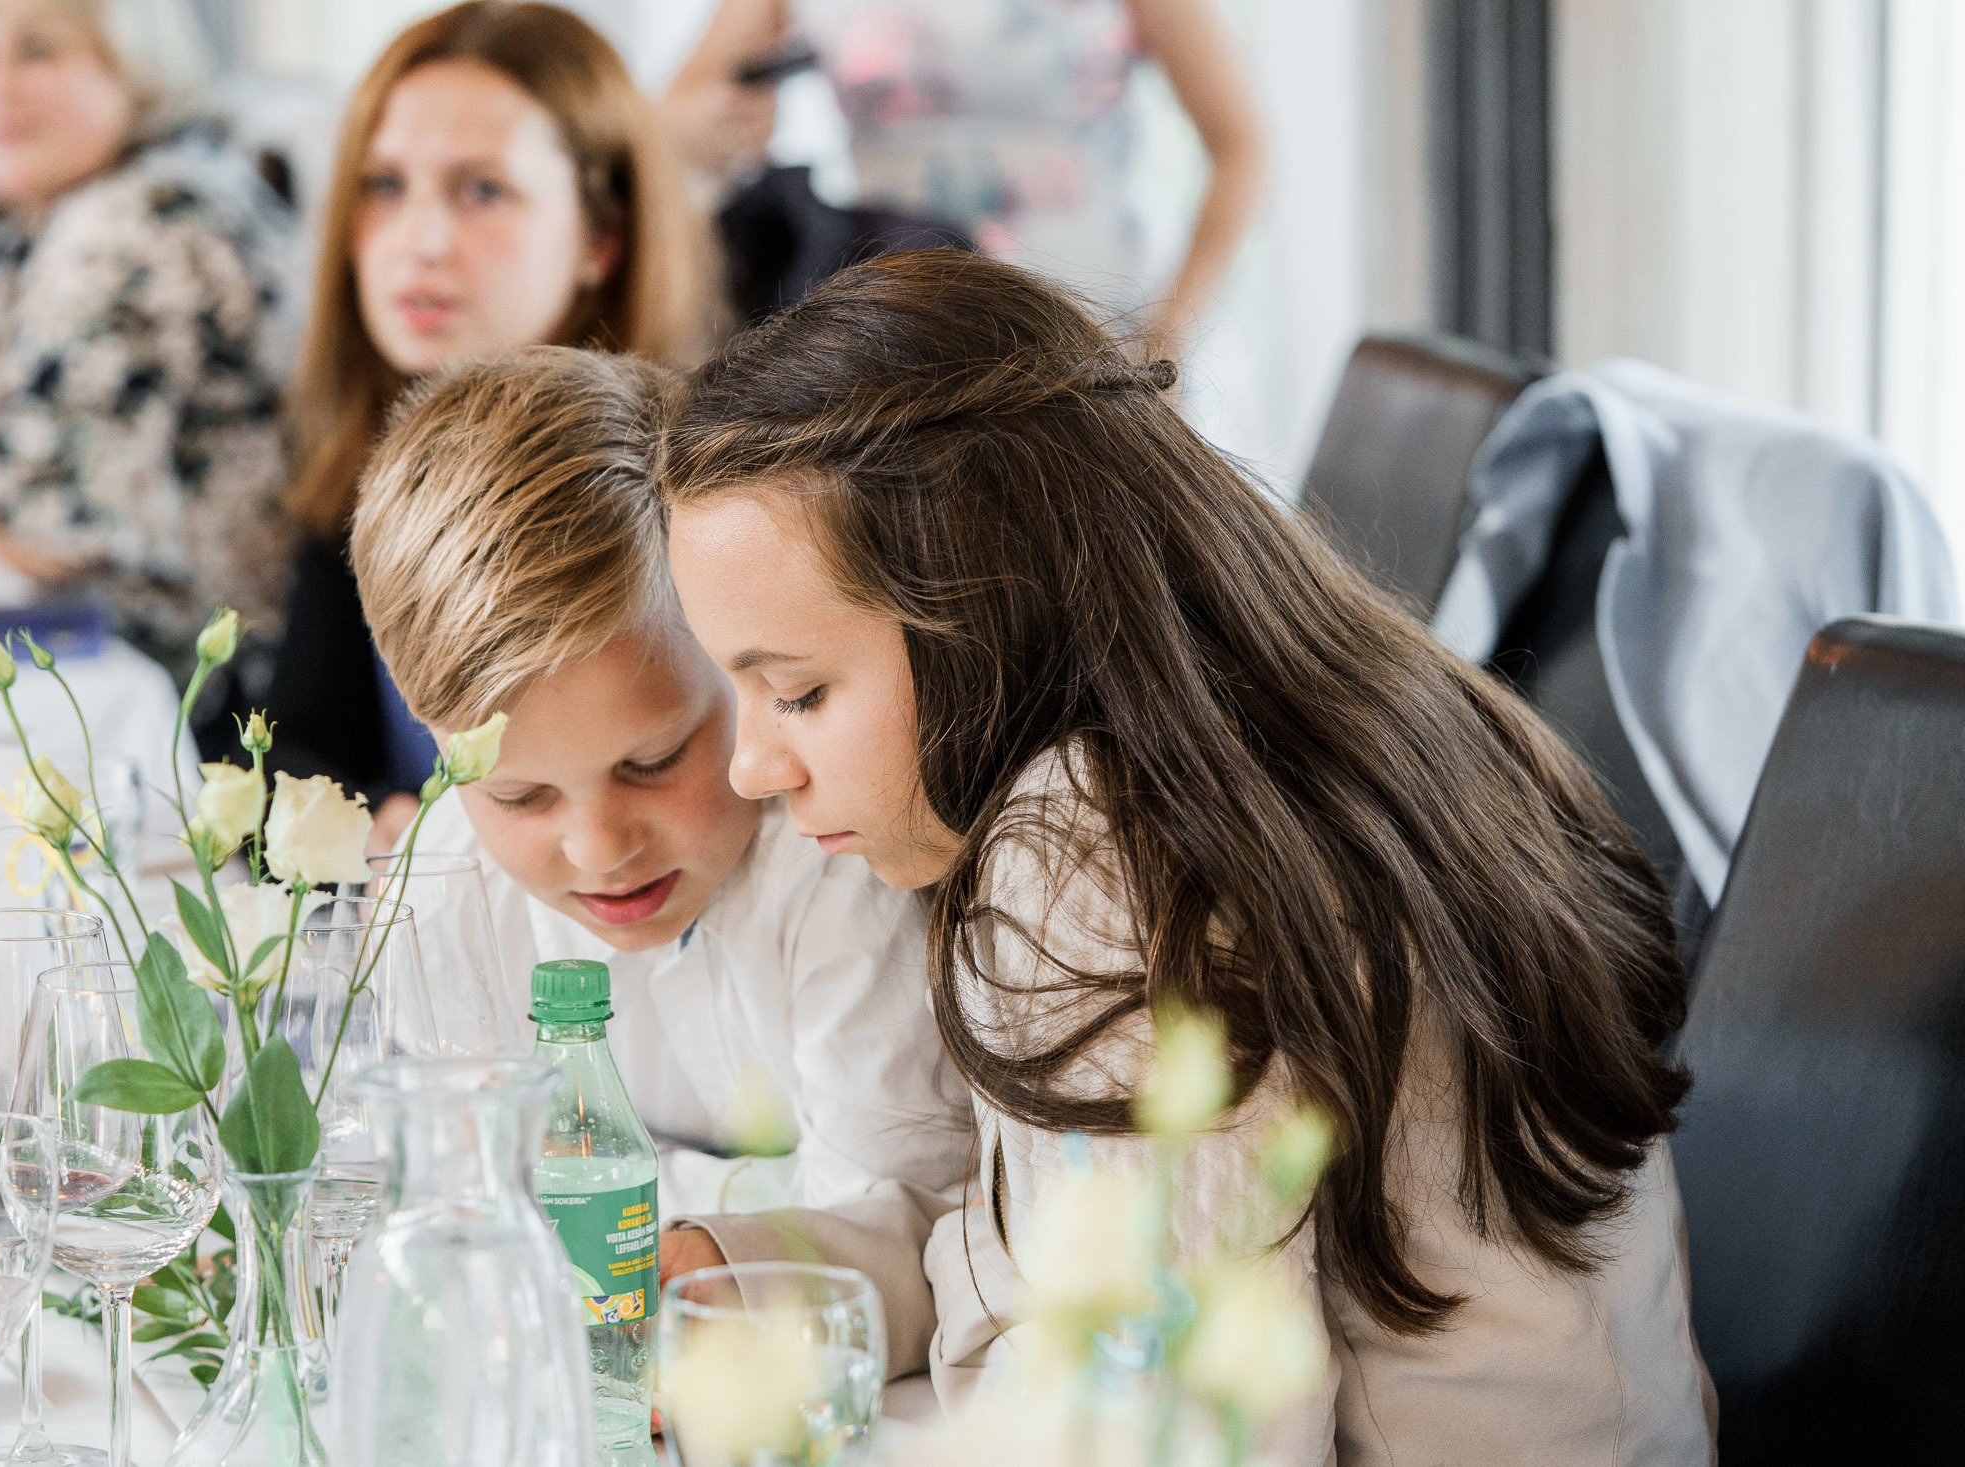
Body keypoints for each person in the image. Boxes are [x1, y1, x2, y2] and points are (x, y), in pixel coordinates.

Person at [656, 251, 1716, 1459]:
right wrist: (773, 1281)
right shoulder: (1353, 708)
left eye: (795, 691)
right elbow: (1079, 1250)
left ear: (988, 609)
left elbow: (1198, 1432)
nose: (752, 766)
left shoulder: (1098, 852)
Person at [351, 346, 970, 1217]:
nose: (600, 847)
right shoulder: (444, 898)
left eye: (652, 762)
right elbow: (461, 1201)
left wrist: (587, 1197)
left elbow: (897, 1222)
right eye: (519, 796)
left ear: (740, 661)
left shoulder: (842, 862)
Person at [264, 0, 710, 845]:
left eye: (482, 190)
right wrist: (375, 824)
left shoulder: (692, 488)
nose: (419, 240)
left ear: (600, 239)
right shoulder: (367, 448)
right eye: (383, 186)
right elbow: (294, 741)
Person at [0, 0, 295, 683]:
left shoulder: (138, 229)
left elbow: (40, 528)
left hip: (179, 699)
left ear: (129, 64)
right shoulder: (29, 212)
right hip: (47, 646)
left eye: (38, 50)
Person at [668, 0, 1265, 370]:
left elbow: (1243, 148)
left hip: (1091, 324)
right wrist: (714, 123)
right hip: (903, 332)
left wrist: (1167, 338)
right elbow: (672, 117)